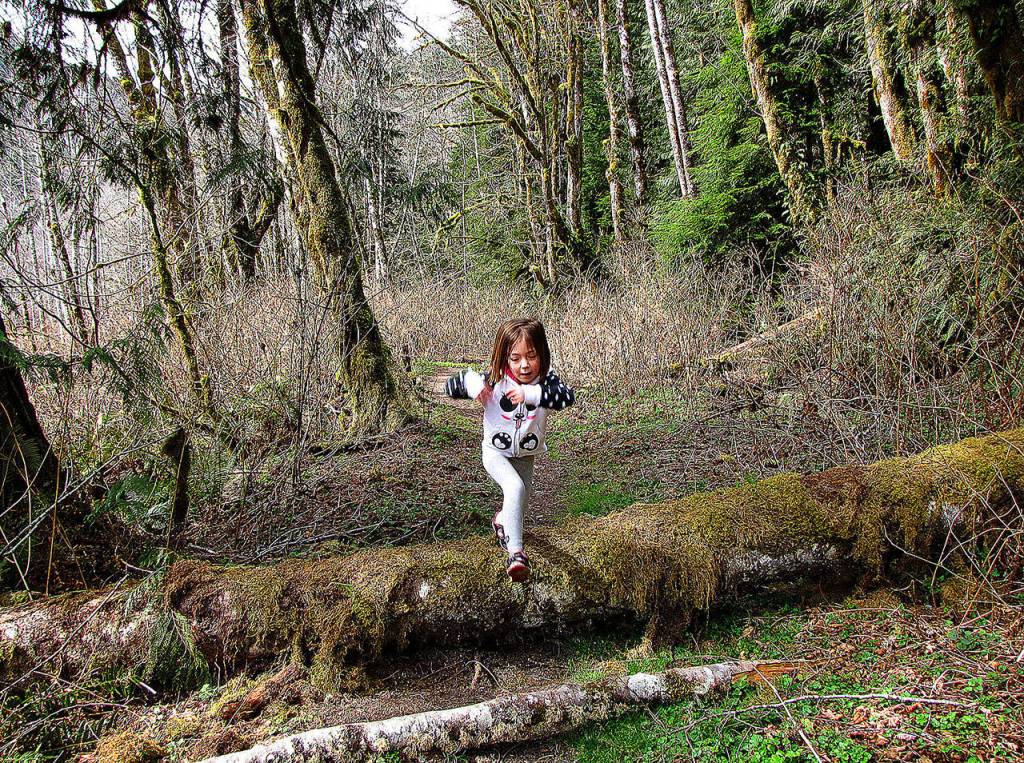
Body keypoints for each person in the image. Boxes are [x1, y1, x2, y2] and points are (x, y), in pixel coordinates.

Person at [445, 318, 576, 582]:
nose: (524, 365)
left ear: (542, 353)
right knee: (514, 489)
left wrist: (531, 394)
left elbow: (567, 397)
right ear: (504, 357)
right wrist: (473, 386)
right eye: (515, 358)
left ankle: (501, 521)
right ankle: (516, 554)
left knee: (519, 504)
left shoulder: (546, 382)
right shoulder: (495, 379)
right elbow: (450, 386)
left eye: (531, 356)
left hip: (526, 454)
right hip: (495, 452)